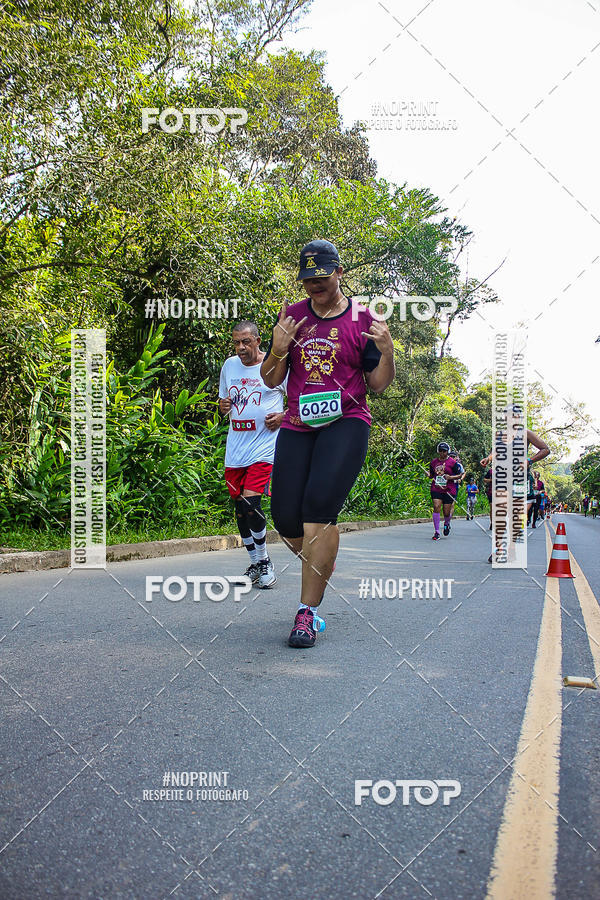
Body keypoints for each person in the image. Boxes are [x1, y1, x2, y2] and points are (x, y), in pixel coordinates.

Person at [260, 239, 395, 648]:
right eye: (307, 279)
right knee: (285, 518)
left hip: (346, 422)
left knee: (318, 508)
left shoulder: (363, 319)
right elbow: (270, 378)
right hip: (299, 423)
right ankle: (321, 561)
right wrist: (279, 349)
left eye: (321, 277)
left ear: (339, 272)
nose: (314, 285)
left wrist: (387, 352)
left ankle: (307, 614)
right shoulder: (290, 316)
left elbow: (379, 384)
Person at [219, 321, 285, 589]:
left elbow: (296, 400)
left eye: (246, 342)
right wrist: (222, 406)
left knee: (250, 504)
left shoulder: (273, 365)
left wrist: (282, 416)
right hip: (236, 448)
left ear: (258, 341)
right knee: (239, 509)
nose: (241, 348)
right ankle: (256, 563)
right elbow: (224, 405)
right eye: (236, 342)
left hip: (264, 448)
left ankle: (265, 561)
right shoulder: (229, 366)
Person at [429, 442, 463, 539]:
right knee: (436, 506)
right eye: (440, 451)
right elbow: (432, 475)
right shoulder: (434, 462)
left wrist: (450, 477)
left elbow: (459, 475)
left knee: (446, 512)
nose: (442, 453)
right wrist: (429, 475)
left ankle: (447, 523)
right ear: (438, 451)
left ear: (447, 451)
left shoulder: (452, 462)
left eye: (444, 451)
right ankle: (436, 532)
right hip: (436, 488)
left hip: (449, 489)